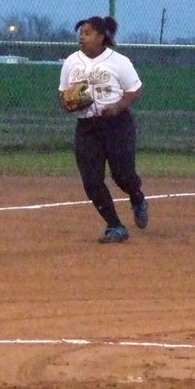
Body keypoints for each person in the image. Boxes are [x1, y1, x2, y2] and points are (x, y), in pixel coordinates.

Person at [58, 15, 148, 243]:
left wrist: (117, 107)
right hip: (87, 127)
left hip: (117, 125)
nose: (82, 37)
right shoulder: (71, 62)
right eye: (81, 33)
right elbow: (63, 93)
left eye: (88, 33)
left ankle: (136, 197)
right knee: (91, 181)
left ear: (101, 37)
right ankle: (115, 226)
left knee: (122, 175)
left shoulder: (118, 61)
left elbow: (134, 90)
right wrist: (68, 103)